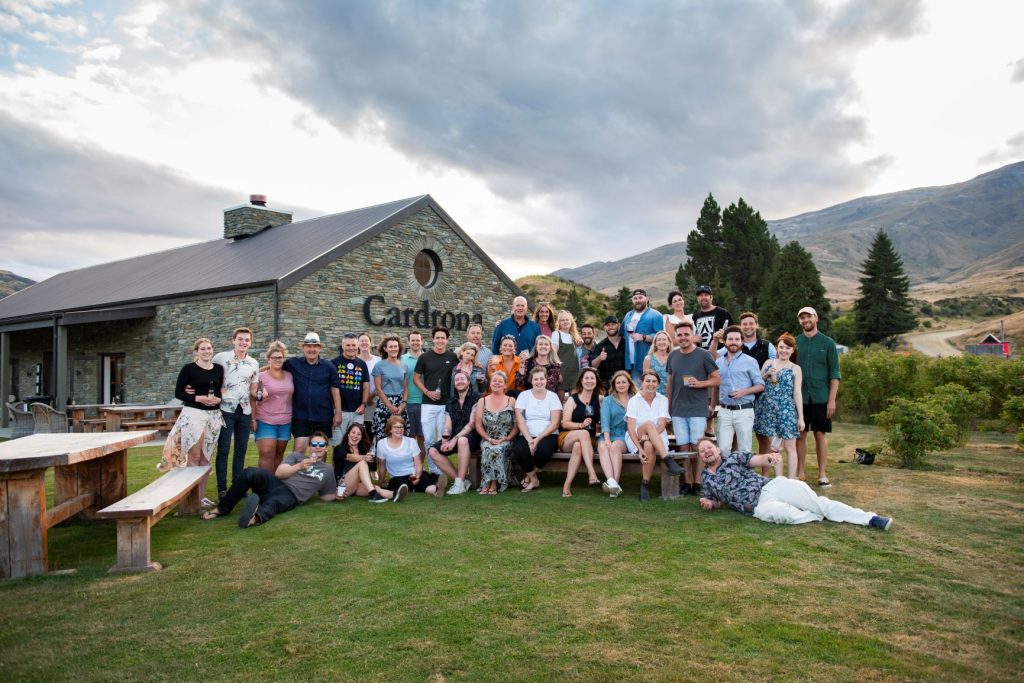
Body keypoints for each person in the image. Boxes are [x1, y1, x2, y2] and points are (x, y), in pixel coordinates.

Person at [697, 439, 892, 530]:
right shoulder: (707, 479)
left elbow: (757, 460)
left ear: (717, 449)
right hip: (757, 507)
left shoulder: (734, 457)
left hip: (771, 487)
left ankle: (870, 518)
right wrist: (710, 504)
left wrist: (770, 458)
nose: (706, 451)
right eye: (702, 451)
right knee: (783, 515)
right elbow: (715, 501)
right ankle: (815, 515)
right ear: (701, 458)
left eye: (709, 447)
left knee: (818, 502)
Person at [202, 431, 338, 527]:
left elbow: (326, 496)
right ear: (309, 447)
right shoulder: (297, 456)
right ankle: (222, 508)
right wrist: (299, 466)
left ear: (326, 448)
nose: (317, 448)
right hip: (276, 483)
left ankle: (253, 518)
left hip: (292, 496)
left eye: (321, 445)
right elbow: (279, 473)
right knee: (250, 472)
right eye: (314, 444)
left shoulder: (327, 470)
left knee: (274, 502)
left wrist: (340, 495)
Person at [161, 337, 224, 507]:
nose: (207, 351)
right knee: (194, 456)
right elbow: (179, 393)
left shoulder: (218, 369)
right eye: (202, 349)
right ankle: (190, 499)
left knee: (206, 457)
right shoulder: (188, 369)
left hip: (213, 416)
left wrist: (217, 399)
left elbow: (219, 391)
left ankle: (201, 497)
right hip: (194, 413)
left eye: (209, 348)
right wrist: (198, 398)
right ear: (196, 352)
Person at [665, 322, 721, 495]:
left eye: (686, 334)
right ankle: (686, 483)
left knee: (698, 448)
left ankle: (698, 483)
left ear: (692, 335)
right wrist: (668, 408)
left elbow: (717, 379)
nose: (682, 338)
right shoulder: (672, 356)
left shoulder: (704, 355)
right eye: (679, 335)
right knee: (683, 448)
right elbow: (669, 384)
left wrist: (701, 383)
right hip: (678, 409)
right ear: (675, 337)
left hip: (697, 409)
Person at [209, 327, 260, 501]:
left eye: (246, 340)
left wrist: (260, 395)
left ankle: (238, 487)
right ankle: (222, 489)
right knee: (223, 450)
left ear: (250, 343)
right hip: (225, 410)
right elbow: (207, 372)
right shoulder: (221, 358)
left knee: (241, 450)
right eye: (240, 339)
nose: (243, 342)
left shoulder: (254, 363)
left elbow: (253, 388)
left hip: (244, 411)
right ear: (233, 340)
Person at [795, 307, 841, 487]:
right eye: (802, 317)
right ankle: (800, 472)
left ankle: (822, 475)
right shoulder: (796, 342)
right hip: (800, 397)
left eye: (808, 316)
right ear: (800, 321)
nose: (805, 320)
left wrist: (832, 400)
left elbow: (835, 374)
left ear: (816, 318)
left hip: (821, 397)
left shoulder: (828, 343)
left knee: (820, 434)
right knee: (801, 434)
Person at [753, 334, 805, 478]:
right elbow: (757, 383)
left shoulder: (795, 368)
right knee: (774, 448)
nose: (783, 350)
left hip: (786, 410)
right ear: (777, 348)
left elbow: (797, 393)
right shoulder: (769, 362)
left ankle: (791, 480)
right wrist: (766, 374)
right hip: (767, 409)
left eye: (787, 348)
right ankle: (779, 479)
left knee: (790, 447)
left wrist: (801, 418)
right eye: (781, 347)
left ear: (792, 350)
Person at [283, 332, 342, 454]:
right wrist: (255, 372)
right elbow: (274, 366)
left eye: (315, 346)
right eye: (308, 346)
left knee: (320, 451)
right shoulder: (293, 364)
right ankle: (296, 473)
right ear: (303, 347)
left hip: (323, 416)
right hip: (301, 416)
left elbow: (335, 391)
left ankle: (318, 473)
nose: (312, 349)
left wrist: (338, 413)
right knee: (299, 449)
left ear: (319, 348)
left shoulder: (329, 367)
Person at [732, 311, 778, 463]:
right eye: (744, 324)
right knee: (738, 436)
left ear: (756, 325)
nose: (748, 326)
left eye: (751, 323)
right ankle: (737, 471)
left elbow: (775, 366)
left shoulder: (767, 346)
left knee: (763, 436)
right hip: (741, 397)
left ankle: (764, 474)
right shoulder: (734, 345)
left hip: (762, 397)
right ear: (740, 326)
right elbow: (716, 358)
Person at [427, 370, 481, 495]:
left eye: (462, 379)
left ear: (468, 382)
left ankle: (459, 484)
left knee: (462, 440)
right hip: (454, 437)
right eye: (457, 380)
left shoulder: (476, 398)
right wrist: (445, 439)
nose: (459, 381)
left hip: (473, 437)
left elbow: (472, 424)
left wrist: (454, 439)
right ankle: (461, 480)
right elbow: (447, 424)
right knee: (433, 451)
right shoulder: (451, 401)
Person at [715, 326, 765, 455]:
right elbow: (716, 385)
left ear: (741, 342)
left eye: (737, 339)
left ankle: (745, 475)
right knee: (723, 449)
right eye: (730, 339)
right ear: (725, 342)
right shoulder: (719, 362)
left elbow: (760, 385)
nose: (733, 342)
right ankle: (726, 475)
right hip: (725, 410)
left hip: (744, 410)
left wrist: (743, 391)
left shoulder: (750, 361)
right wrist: (711, 405)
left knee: (744, 450)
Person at [512, 366, 563, 492]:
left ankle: (528, 477)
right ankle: (534, 479)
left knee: (542, 451)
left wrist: (538, 439)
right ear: (531, 381)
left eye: (541, 379)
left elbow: (555, 423)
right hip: (527, 433)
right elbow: (520, 420)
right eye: (536, 379)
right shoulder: (524, 396)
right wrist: (530, 440)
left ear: (546, 380)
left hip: (548, 434)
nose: (539, 382)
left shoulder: (553, 397)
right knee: (519, 450)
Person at [251, 340, 293, 473]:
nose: (277, 360)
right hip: (265, 420)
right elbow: (252, 397)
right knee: (267, 453)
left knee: (279, 455)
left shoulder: (289, 376)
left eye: (280, 357)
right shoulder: (260, 377)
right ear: (269, 359)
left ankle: (275, 486)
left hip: (285, 421)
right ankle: (264, 487)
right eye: (274, 357)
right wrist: (252, 419)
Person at [560, 367, 603, 496]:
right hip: (567, 437)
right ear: (581, 381)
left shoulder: (600, 399)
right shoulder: (573, 399)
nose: (589, 381)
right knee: (583, 433)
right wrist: (580, 425)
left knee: (578, 446)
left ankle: (566, 486)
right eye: (586, 378)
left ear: (596, 381)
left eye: (592, 378)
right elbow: (565, 423)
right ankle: (591, 473)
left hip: (588, 440)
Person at [414, 327, 459, 451]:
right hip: (428, 404)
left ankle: (438, 470)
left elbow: (464, 367)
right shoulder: (424, 357)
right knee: (428, 439)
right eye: (437, 338)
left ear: (447, 340)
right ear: (433, 339)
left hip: (445, 403)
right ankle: (433, 469)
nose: (440, 340)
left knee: (441, 438)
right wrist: (427, 392)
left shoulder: (453, 357)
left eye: (443, 338)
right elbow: (416, 378)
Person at [377, 416, 445, 498]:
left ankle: (437, 491)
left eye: (401, 427)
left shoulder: (411, 442)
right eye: (396, 427)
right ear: (390, 429)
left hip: (413, 474)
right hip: (397, 476)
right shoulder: (382, 444)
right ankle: (407, 490)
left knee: (426, 484)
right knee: (401, 485)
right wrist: (380, 483)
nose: (399, 429)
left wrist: (418, 476)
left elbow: (418, 463)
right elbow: (381, 467)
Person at [475, 370, 518, 494]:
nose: (497, 383)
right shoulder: (482, 401)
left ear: (505, 385)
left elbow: (517, 424)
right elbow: (478, 425)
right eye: (494, 381)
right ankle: (488, 482)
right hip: (487, 437)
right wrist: (488, 439)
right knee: (489, 447)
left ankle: (492, 483)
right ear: (490, 384)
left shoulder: (511, 400)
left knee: (498, 448)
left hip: (506, 438)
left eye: (500, 381)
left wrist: (508, 437)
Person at [598, 370, 637, 498]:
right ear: (614, 385)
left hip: (626, 435)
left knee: (615, 447)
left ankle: (615, 483)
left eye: (623, 382)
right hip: (608, 433)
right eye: (618, 382)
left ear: (629, 383)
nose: (621, 385)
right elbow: (605, 422)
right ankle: (612, 483)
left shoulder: (635, 399)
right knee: (603, 446)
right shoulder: (608, 400)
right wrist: (607, 439)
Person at [332, 422, 392, 503]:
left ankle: (395, 494)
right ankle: (373, 494)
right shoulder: (338, 449)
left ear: (361, 437)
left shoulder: (364, 450)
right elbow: (349, 457)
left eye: (359, 434)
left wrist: (370, 460)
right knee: (362, 463)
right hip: (342, 487)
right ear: (348, 434)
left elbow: (369, 469)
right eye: (353, 432)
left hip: (356, 486)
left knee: (377, 489)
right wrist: (364, 458)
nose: (355, 436)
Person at [330, 332, 371, 442]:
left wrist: (363, 404)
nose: (351, 348)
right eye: (348, 345)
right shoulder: (333, 363)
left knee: (355, 442)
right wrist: (336, 412)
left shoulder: (362, 364)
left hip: (357, 411)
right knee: (338, 443)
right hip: (339, 411)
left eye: (353, 345)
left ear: (357, 346)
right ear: (342, 345)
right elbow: (331, 389)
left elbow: (366, 386)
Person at [370, 334, 408, 451]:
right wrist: (389, 405)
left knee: (400, 437)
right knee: (382, 437)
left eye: (395, 346)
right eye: (390, 347)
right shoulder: (379, 365)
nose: (393, 349)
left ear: (399, 348)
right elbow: (378, 389)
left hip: (400, 405)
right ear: (385, 349)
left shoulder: (404, 365)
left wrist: (403, 403)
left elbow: (406, 388)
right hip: (384, 403)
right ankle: (380, 468)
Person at [621, 288, 664, 382]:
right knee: (637, 393)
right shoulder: (628, 315)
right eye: (635, 298)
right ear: (632, 300)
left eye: (640, 297)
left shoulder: (656, 315)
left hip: (651, 363)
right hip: (633, 364)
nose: (638, 300)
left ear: (647, 299)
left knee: (653, 391)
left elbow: (661, 337)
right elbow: (621, 334)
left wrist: (644, 337)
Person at [402, 330, 426, 455]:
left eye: (418, 340)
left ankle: (420, 470)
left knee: (422, 438)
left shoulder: (427, 358)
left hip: (424, 403)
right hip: (408, 403)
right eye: (413, 340)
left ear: (422, 342)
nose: (415, 342)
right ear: (408, 342)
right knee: (409, 439)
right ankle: (410, 470)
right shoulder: (402, 359)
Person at [551, 309, 583, 396]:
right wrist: (558, 372)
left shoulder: (574, 335)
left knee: (574, 399)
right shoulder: (556, 334)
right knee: (559, 400)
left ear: (571, 321)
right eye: (562, 320)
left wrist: (580, 342)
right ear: (559, 322)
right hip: (562, 371)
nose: (565, 322)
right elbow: (553, 355)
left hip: (574, 372)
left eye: (567, 320)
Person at [692, 284, 732, 352]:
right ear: (697, 298)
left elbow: (731, 333)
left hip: (720, 354)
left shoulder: (722, 313)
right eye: (700, 295)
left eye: (706, 295)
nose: (703, 297)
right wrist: (693, 339)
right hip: (701, 356)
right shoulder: (695, 317)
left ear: (711, 297)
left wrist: (723, 334)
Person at [523, 334, 563, 399]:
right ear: (536, 347)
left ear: (550, 348)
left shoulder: (556, 365)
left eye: (546, 344)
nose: (543, 346)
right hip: (529, 397)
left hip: (548, 398)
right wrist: (522, 365)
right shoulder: (528, 362)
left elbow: (550, 386)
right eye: (540, 344)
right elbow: (521, 383)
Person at [591, 315, 626, 387]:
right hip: (607, 386)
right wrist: (599, 358)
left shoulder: (626, 343)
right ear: (604, 327)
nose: (610, 327)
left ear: (618, 325)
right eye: (608, 325)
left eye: (613, 324)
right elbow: (593, 366)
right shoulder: (600, 346)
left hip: (625, 384)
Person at [357, 332, 382, 423]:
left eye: (366, 340)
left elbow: (383, 381)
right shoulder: (355, 361)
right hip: (359, 403)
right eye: (361, 341)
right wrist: (364, 400)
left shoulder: (378, 361)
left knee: (371, 429)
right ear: (358, 343)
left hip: (375, 401)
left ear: (370, 343)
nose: (364, 343)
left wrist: (371, 397)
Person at [642, 330, 672, 396]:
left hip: (669, 396)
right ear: (655, 343)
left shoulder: (673, 358)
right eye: (659, 340)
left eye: (664, 339)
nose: (661, 342)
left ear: (669, 342)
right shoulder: (648, 359)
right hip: (653, 396)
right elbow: (645, 380)